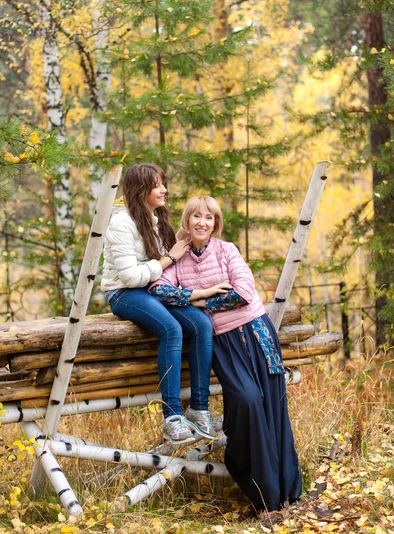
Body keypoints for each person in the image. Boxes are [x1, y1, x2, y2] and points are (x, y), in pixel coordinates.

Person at [149, 195, 302, 512]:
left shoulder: (227, 249)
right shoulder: (178, 259)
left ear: (215, 223)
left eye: (208, 217)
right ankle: (259, 487)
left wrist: (199, 302)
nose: (202, 222)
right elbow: (157, 290)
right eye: (196, 216)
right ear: (187, 221)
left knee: (273, 407)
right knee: (246, 402)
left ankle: (287, 491)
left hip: (257, 334)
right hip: (223, 343)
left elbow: (245, 292)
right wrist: (200, 292)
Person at [101, 164, 228, 445]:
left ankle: (199, 409)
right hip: (124, 293)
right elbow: (131, 277)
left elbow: (173, 261)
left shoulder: (156, 217)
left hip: (154, 289)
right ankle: (172, 418)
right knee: (171, 329)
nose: (164, 190)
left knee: (201, 324)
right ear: (141, 190)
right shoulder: (122, 223)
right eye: (157, 185)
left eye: (162, 184)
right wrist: (168, 259)